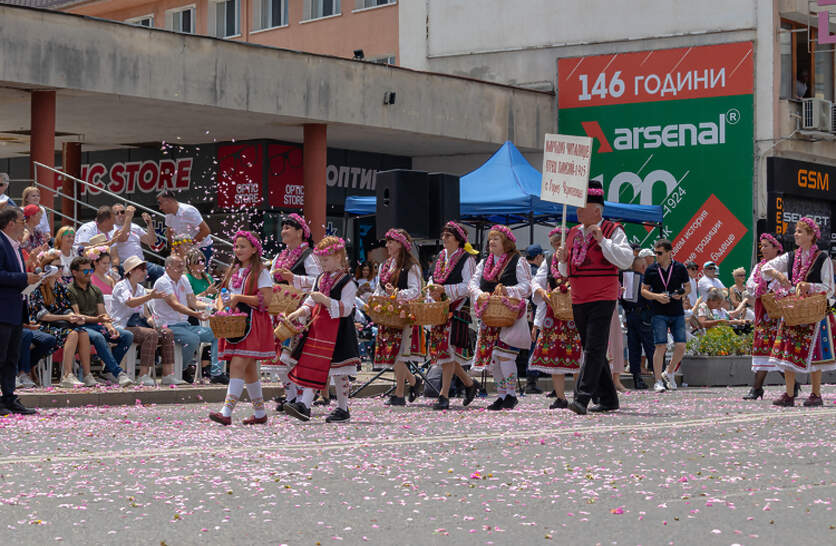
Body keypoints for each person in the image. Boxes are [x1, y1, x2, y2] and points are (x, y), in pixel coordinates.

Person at [557, 180, 634, 414]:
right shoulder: (573, 232)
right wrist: (562, 259)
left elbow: (626, 260)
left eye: (582, 207)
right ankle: (609, 399)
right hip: (579, 297)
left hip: (603, 295)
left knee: (594, 347)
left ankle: (582, 397)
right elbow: (565, 272)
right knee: (592, 348)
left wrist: (603, 241)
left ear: (597, 211)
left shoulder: (612, 230)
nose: (577, 211)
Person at [283, 236, 361, 423]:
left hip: (338, 331)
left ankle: (343, 408)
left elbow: (347, 308)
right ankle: (304, 405)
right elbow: (311, 301)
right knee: (313, 367)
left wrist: (325, 300)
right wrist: (300, 311)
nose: (322, 264)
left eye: (326, 260)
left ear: (338, 257)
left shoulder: (347, 282)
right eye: (321, 260)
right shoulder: (320, 278)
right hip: (319, 331)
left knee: (340, 371)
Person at [762, 217, 836, 407]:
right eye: (795, 231)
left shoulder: (823, 258)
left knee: (815, 354)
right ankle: (789, 394)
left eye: (800, 231)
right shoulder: (791, 256)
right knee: (788, 352)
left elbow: (829, 288)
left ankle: (816, 393)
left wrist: (808, 286)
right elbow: (766, 268)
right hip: (794, 311)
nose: (795, 234)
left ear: (811, 236)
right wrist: (778, 274)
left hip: (815, 311)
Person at [209, 231, 275, 426]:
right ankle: (260, 412)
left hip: (252, 322)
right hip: (234, 322)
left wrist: (239, 298)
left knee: (237, 365)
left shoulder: (261, 272)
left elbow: (266, 300)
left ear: (254, 249)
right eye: (236, 246)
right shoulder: (233, 270)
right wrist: (221, 307)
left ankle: (226, 412)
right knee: (249, 370)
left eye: (243, 246)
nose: (238, 250)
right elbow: (223, 293)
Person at [470, 224, 532, 410]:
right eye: (490, 239)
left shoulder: (518, 261)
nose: (491, 242)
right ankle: (502, 395)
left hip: (510, 315)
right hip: (490, 316)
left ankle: (511, 395)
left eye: (496, 239)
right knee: (494, 358)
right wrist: (480, 294)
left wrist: (508, 291)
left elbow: (527, 287)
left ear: (506, 242)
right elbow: (472, 284)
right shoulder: (484, 262)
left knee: (505, 356)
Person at [426, 221, 479, 410]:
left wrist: (444, 290)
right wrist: (431, 292)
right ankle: (470, 384)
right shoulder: (440, 257)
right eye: (443, 235)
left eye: (448, 236)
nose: (444, 238)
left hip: (457, 308)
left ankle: (444, 394)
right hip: (439, 309)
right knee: (443, 352)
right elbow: (432, 279)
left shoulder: (467, 259)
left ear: (458, 239)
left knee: (447, 350)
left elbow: (469, 286)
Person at [269, 213, 320, 410]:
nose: (283, 231)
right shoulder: (279, 257)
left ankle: (300, 398)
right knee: (278, 359)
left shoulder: (309, 256)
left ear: (300, 233)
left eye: (288, 228)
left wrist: (294, 278)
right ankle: (290, 397)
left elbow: (319, 280)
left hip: (300, 312)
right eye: (283, 228)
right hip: (279, 310)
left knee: (291, 357)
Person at [529, 226, 581, 408]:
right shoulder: (549, 259)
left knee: (578, 354)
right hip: (555, 313)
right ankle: (561, 397)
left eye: (560, 243)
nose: (557, 247)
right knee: (554, 354)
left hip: (576, 313)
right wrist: (541, 291)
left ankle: (580, 395)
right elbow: (537, 281)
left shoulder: (578, 257)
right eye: (554, 244)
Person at [372, 228, 424, 406]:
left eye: (391, 242)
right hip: (388, 315)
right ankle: (414, 381)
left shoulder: (411, 266)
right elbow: (379, 289)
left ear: (400, 244)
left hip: (404, 315)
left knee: (399, 355)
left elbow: (416, 291)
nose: (387, 245)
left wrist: (396, 294)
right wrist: (376, 299)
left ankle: (399, 394)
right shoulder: (385, 266)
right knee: (392, 354)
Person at [29, 250, 94, 388]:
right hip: (42, 326)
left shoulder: (60, 287)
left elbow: (66, 308)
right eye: (57, 267)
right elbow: (42, 316)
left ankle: (87, 375)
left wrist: (74, 316)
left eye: (61, 266)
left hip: (59, 324)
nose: (60, 269)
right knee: (72, 334)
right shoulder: (38, 287)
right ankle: (67, 375)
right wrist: (66, 317)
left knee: (83, 333)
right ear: (48, 268)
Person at [110, 256, 178, 386]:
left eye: (145, 268)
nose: (145, 272)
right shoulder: (121, 286)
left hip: (137, 325)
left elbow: (146, 315)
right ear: (131, 271)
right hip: (122, 326)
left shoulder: (140, 289)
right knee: (150, 334)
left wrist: (154, 323)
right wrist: (150, 296)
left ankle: (167, 375)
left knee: (167, 333)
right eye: (141, 269)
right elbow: (130, 302)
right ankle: (143, 375)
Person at [68, 256, 135, 387]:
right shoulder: (70, 290)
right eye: (85, 271)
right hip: (80, 328)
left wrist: (110, 326)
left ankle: (108, 372)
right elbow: (78, 316)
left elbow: (102, 312)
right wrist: (99, 320)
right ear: (74, 272)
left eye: (90, 271)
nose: (89, 274)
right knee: (98, 337)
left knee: (127, 336)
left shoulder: (95, 290)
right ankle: (118, 373)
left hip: (96, 325)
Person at [152, 255, 219, 381]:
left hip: (184, 325)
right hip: (168, 325)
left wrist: (211, 307)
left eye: (183, 266)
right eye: (178, 266)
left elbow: (193, 301)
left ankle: (216, 373)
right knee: (193, 339)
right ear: (168, 268)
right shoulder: (162, 282)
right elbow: (175, 305)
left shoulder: (183, 279)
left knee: (217, 334)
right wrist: (195, 314)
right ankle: (182, 369)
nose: (182, 269)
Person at [0, 207, 40, 415]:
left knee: (11, 357)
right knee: (1, 356)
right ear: (10, 223)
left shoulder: (14, 245)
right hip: (3, 309)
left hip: (14, 308)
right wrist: (24, 278)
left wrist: (30, 278)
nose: (24, 224)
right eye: (21, 220)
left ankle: (9, 397)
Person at [640, 239, 690, 393]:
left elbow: (687, 287)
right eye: (655, 252)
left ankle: (669, 372)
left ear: (669, 253)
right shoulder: (651, 269)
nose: (657, 256)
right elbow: (643, 291)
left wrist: (680, 294)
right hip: (658, 312)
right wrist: (657, 296)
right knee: (660, 345)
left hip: (677, 311)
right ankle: (657, 381)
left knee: (681, 345)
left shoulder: (680, 267)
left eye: (660, 253)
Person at [744, 233, 788, 400]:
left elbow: (789, 285)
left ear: (777, 248)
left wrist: (775, 290)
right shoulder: (759, 267)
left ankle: (757, 388)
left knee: (777, 349)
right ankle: (758, 387)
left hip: (779, 314)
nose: (763, 249)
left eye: (766, 246)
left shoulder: (784, 267)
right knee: (763, 347)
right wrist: (759, 288)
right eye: (761, 246)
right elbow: (749, 285)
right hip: (763, 313)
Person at [109, 204, 164, 283]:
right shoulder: (112, 228)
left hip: (140, 263)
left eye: (122, 212)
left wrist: (149, 224)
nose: (120, 214)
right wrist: (128, 218)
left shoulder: (135, 226)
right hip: (126, 265)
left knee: (162, 272)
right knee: (138, 279)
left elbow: (151, 241)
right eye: (117, 213)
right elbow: (123, 238)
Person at [620, 257, 653, 389]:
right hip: (643, 314)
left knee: (633, 347)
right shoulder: (644, 279)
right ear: (643, 267)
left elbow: (623, 299)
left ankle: (636, 377)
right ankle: (659, 375)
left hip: (630, 315)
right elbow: (649, 298)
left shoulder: (626, 278)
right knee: (650, 345)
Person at [158, 190, 213, 265]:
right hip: (184, 250)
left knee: (198, 272)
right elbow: (169, 233)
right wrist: (175, 249)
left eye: (161, 203)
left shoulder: (188, 211)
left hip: (201, 248)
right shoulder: (168, 215)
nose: (160, 208)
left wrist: (187, 246)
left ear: (169, 200)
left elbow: (206, 230)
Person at [17, 297, 57, 389]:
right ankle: (22, 373)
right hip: (13, 327)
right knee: (26, 335)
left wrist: (28, 324)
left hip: (26, 327)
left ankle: (28, 367)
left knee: (49, 340)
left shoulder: (22, 294)